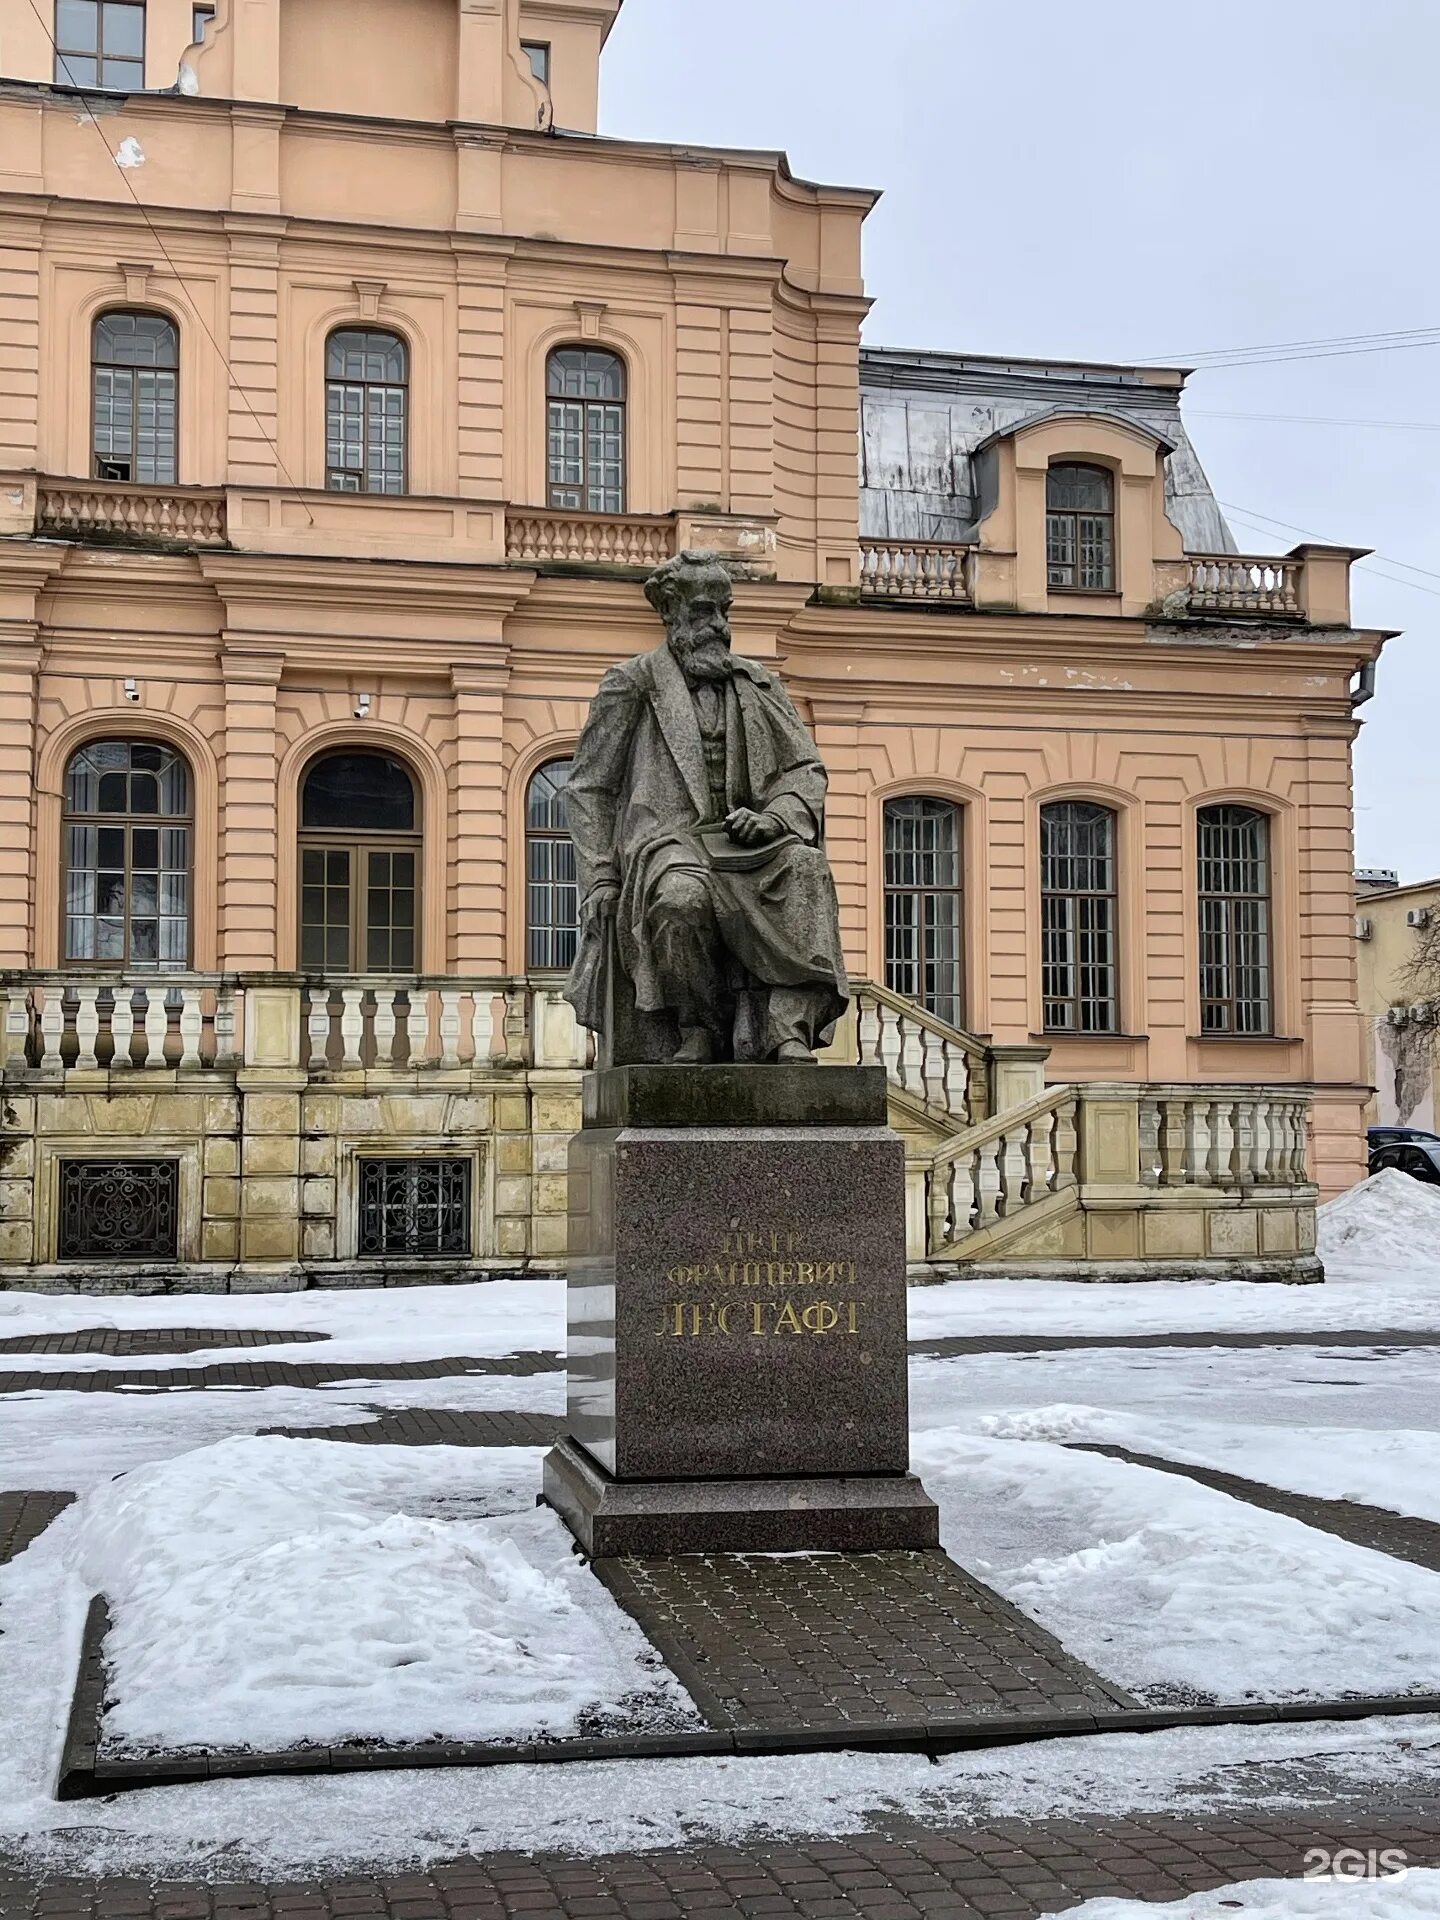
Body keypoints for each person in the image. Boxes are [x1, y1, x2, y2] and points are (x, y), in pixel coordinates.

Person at [563, 550, 849, 1064]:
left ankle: (786, 1031)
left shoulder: (758, 685)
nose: (718, 625)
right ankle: (698, 1026)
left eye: (724, 611)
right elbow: (590, 788)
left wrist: (774, 818)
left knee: (806, 869)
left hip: (752, 846)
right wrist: (602, 876)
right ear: (671, 616)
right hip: (671, 843)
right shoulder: (632, 685)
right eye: (703, 612)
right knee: (678, 900)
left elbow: (805, 769)